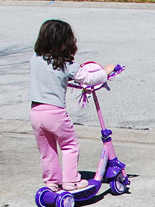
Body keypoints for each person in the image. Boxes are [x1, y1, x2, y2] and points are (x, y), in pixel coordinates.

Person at [29, 19, 111, 193]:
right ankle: (71, 181)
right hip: (55, 113)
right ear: (66, 43)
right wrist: (106, 71)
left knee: (47, 149)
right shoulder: (66, 65)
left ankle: (51, 183)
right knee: (69, 145)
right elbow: (88, 79)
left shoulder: (35, 60)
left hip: (36, 112)